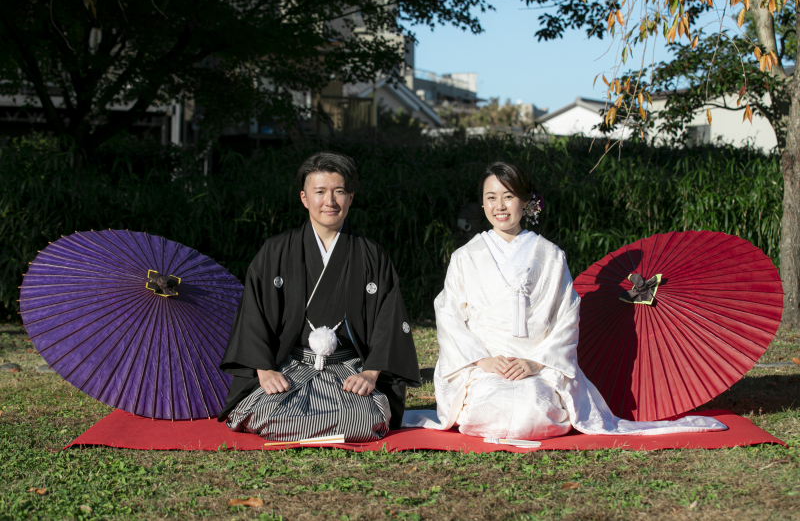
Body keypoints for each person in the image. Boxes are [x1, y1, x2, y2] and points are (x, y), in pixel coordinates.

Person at [405, 162, 726, 439]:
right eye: (491, 198)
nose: (500, 206)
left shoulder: (550, 255)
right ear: (483, 203)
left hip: (538, 366)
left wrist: (535, 362)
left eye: (509, 196)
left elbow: (566, 319)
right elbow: (448, 316)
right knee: (494, 408)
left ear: (526, 202)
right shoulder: (466, 257)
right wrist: (481, 361)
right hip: (485, 366)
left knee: (532, 410)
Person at [218, 151, 421, 442]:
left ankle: (325, 425)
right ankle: (328, 427)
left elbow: (389, 320)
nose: (330, 201)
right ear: (304, 198)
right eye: (320, 192)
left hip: (348, 371)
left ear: (350, 198)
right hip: (291, 368)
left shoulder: (371, 255)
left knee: (362, 419)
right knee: (263, 412)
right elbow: (254, 315)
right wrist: (264, 370)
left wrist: (371, 374)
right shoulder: (275, 251)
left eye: (339, 192)